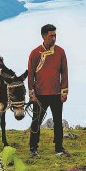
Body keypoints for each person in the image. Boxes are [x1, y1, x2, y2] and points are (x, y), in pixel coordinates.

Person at [27, 23, 69, 158]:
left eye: (55, 35)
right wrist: (31, 93)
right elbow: (31, 74)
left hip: (56, 93)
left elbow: (65, 72)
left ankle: (59, 147)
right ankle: (33, 148)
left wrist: (64, 91)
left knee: (58, 121)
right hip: (39, 94)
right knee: (36, 122)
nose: (54, 38)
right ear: (43, 36)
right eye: (51, 36)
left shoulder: (60, 52)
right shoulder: (34, 53)